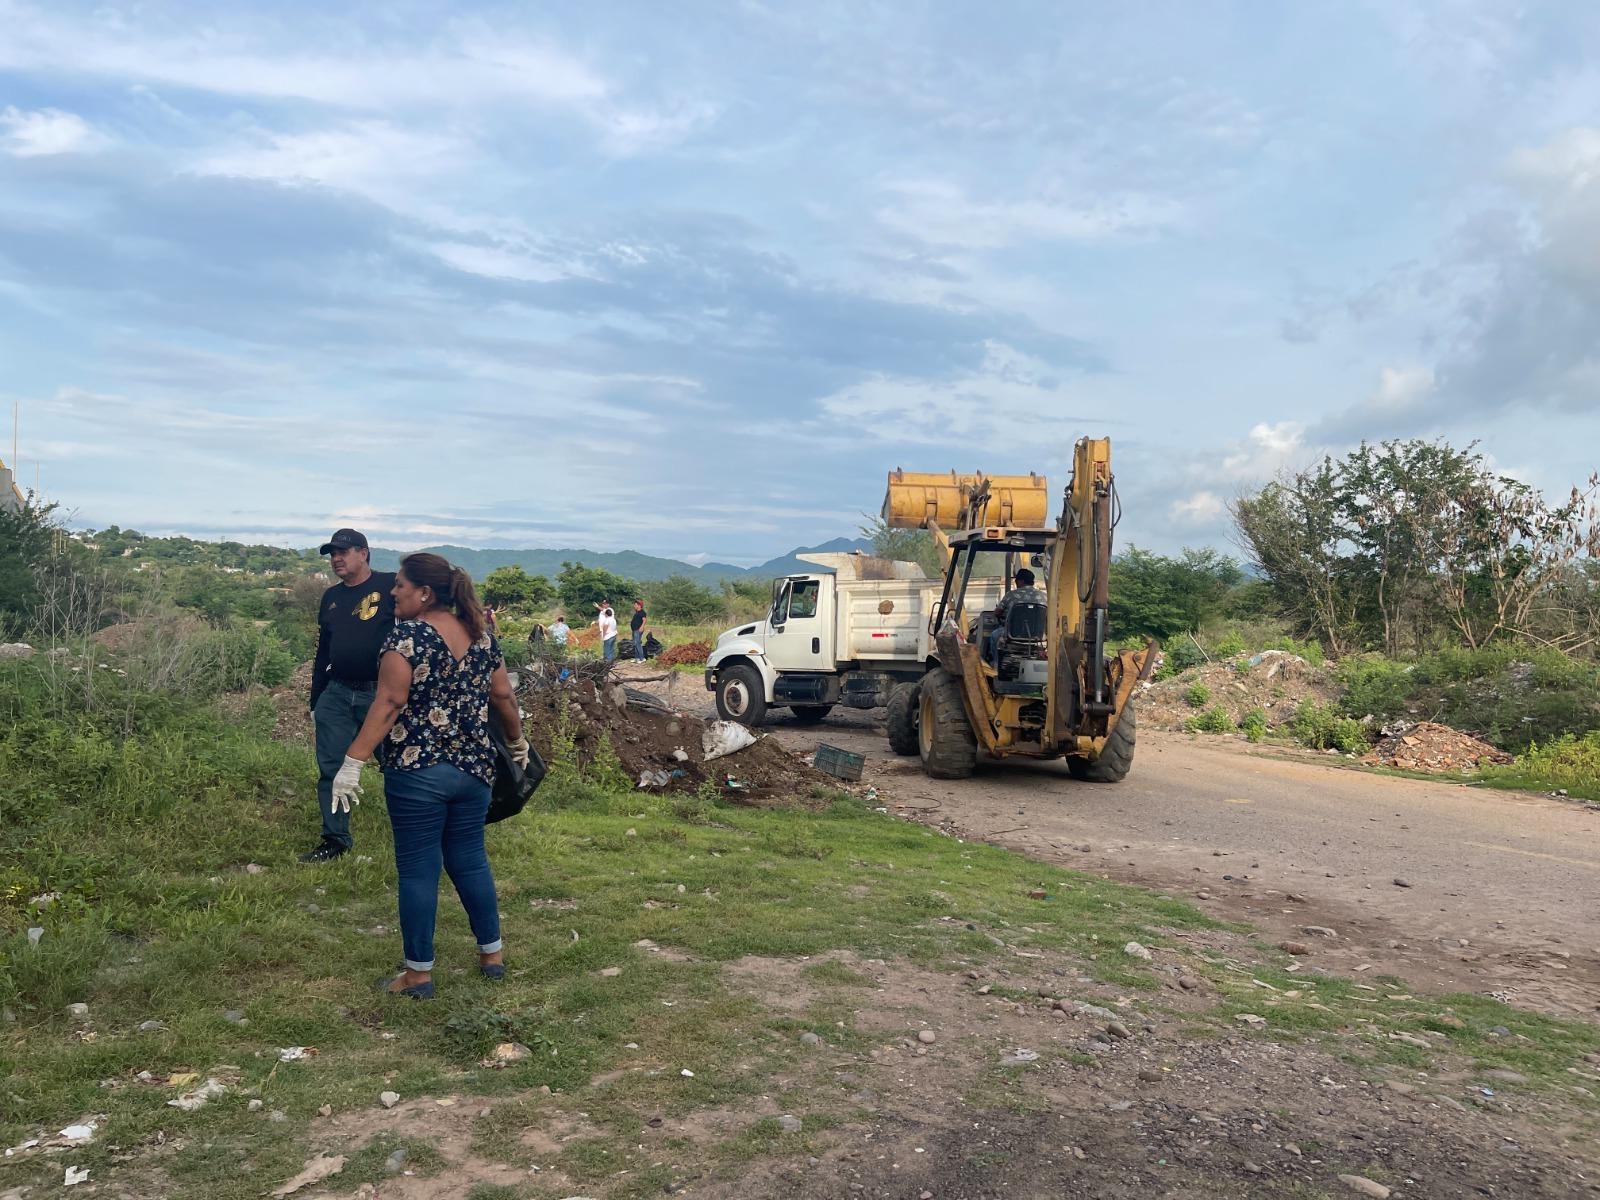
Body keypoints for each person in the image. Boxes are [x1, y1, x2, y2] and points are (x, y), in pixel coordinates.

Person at [332, 552, 529, 1000]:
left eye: (400, 585)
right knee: (470, 860)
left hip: (419, 772)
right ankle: (491, 956)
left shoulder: (406, 639)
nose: (393, 592)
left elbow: (388, 704)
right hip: (474, 772)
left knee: (419, 870)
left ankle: (419, 976)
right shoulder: (482, 638)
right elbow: (503, 696)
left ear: (424, 593)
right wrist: (517, 744)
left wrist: (353, 762)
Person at [303, 528, 396, 864]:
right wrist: (316, 700)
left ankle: (416, 829)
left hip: (383, 694)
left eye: (343, 552)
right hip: (338, 692)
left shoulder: (391, 586)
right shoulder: (331, 597)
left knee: (399, 764)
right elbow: (323, 652)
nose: (336, 559)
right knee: (330, 767)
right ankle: (335, 840)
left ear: (364, 553)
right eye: (332, 554)